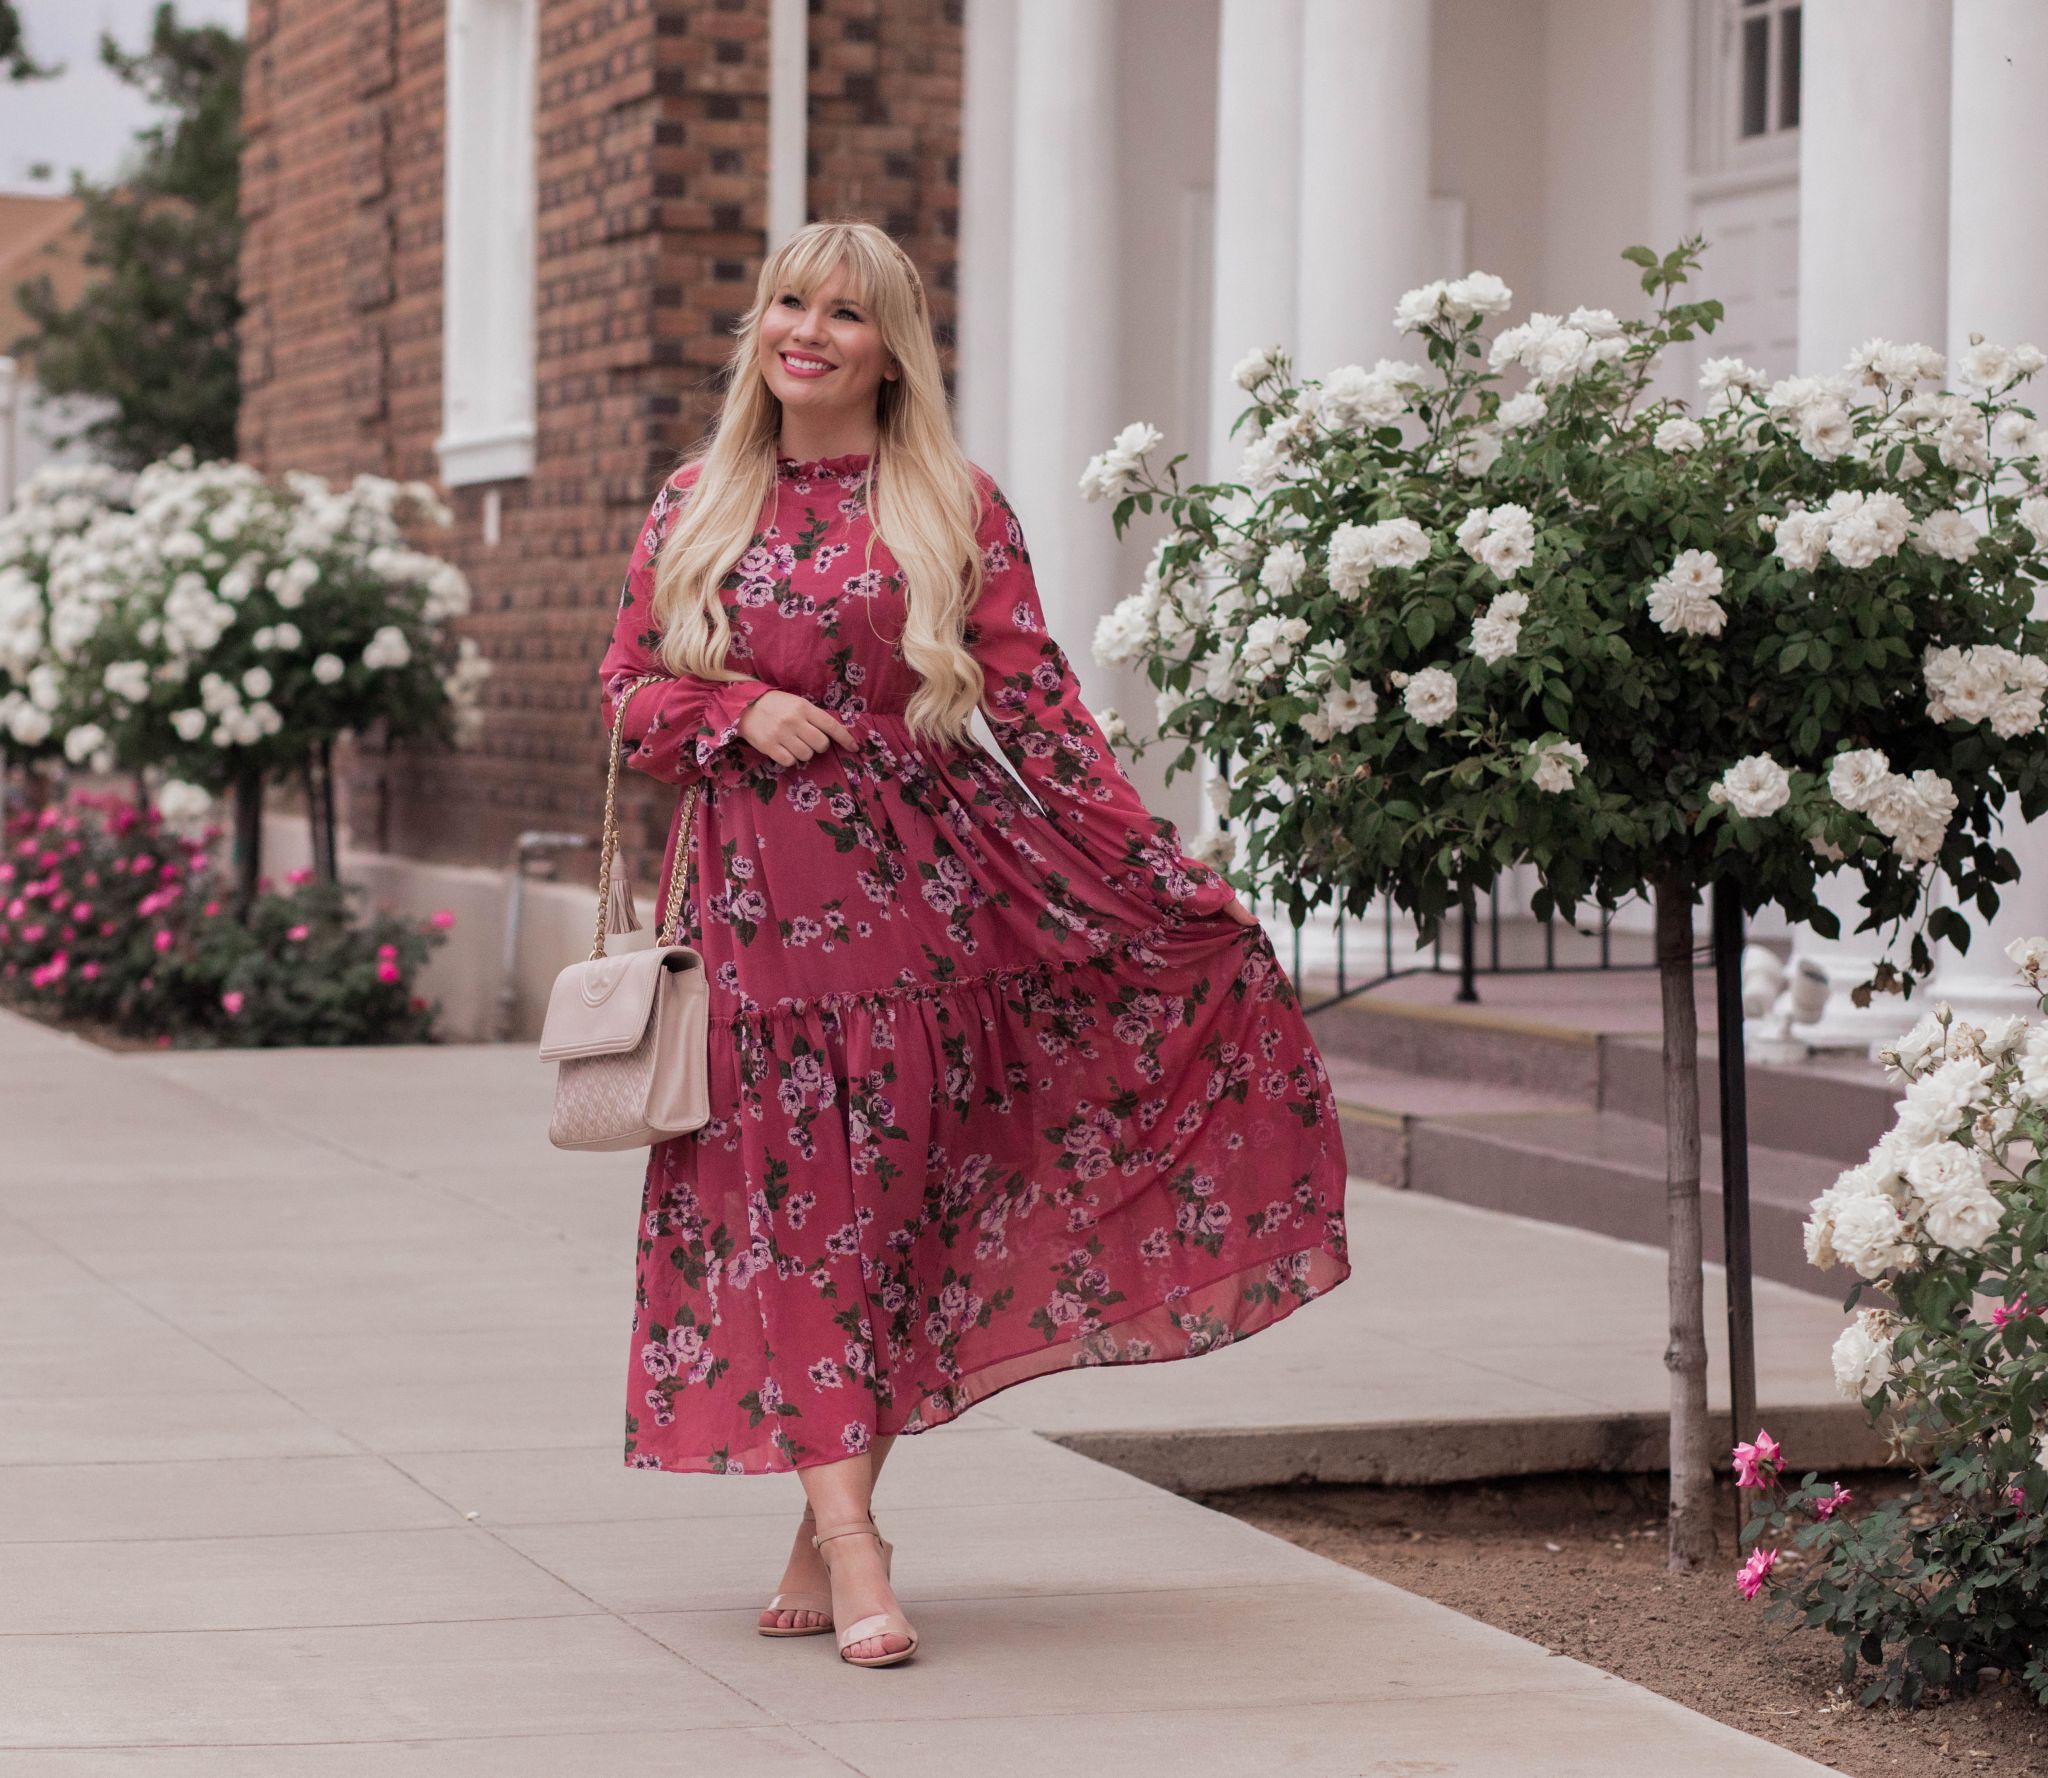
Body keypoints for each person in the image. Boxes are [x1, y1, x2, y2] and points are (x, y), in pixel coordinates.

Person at [596, 219, 1352, 1668]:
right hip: (759, 932)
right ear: (761, 326)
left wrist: (1167, 876)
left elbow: (1046, 712)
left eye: (847, 313)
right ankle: (861, 1546)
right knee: (804, 1214)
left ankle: (819, 1521)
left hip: (932, 915)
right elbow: (626, 693)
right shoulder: (696, 502)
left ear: (891, 350)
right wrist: (728, 710)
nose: (808, 329)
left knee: (886, 1221)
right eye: (789, 303)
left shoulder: (950, 499)